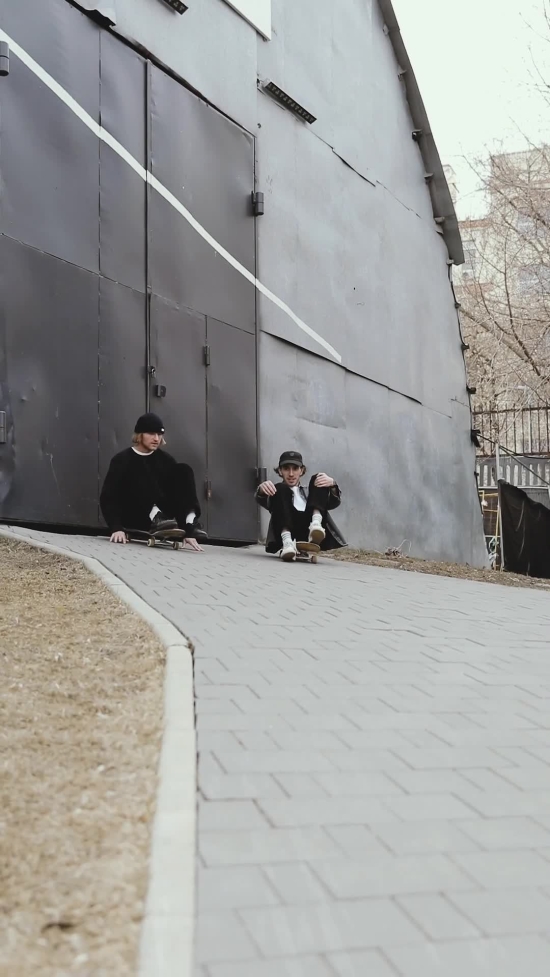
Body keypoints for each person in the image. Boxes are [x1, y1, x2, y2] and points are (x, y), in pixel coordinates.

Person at [100, 412, 206, 550]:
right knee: (140, 467)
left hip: (164, 520)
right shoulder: (122, 460)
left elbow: (178, 494)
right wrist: (116, 528)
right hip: (134, 515)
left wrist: (188, 533)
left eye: (159, 434)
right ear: (140, 435)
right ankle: (156, 516)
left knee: (183, 470)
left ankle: (189, 522)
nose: (156, 439)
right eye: (151, 433)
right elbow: (108, 497)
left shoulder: (165, 460)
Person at [256, 449, 346, 561]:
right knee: (279, 487)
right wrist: (261, 490)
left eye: (295, 468)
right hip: (286, 531)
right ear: (280, 471)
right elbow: (262, 499)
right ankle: (287, 543)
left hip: (309, 529)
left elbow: (333, 503)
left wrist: (332, 484)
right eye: (286, 469)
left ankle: (316, 524)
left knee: (319, 479)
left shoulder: (310, 492)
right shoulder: (276, 492)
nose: (291, 474)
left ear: (302, 470)